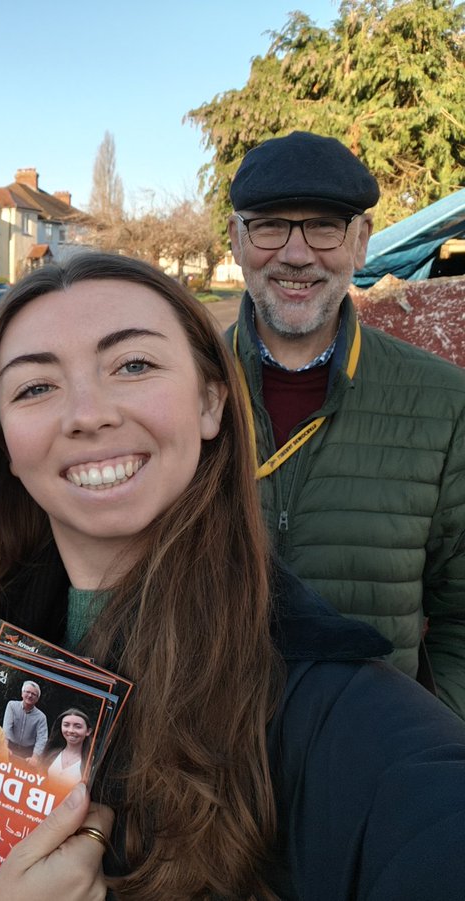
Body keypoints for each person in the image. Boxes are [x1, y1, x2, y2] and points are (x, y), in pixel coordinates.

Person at [0, 254, 465, 901]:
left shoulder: (343, 715)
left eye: (133, 364)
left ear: (211, 402)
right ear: (3, 441)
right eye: (36, 386)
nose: (88, 414)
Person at [225, 131, 465, 716]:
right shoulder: (173, 389)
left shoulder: (443, 401)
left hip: (373, 755)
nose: (296, 254)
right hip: (202, 757)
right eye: (270, 225)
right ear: (236, 240)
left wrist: (433, 741)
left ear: (360, 242)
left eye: (324, 226)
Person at [39, 709, 92, 783]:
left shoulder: (91, 763)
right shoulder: (49, 753)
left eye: (78, 726)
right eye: (66, 725)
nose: (71, 730)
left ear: (88, 731)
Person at [2, 680, 48, 760]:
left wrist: (35, 757)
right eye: (27, 692)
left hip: (27, 752)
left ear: (37, 699)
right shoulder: (12, 705)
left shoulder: (41, 717)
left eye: (33, 694)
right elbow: (7, 728)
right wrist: (4, 747)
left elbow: (42, 739)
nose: (30, 695)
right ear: (22, 693)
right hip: (10, 745)